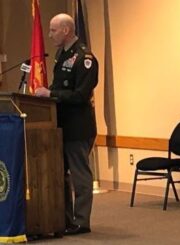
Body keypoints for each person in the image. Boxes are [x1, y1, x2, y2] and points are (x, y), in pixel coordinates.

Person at [35, 13, 98, 235]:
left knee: (80, 175)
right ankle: (64, 219)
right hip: (59, 125)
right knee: (58, 174)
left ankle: (82, 221)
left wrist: (51, 93)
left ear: (66, 30)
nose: (50, 34)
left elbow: (81, 95)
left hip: (78, 127)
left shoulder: (84, 58)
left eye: (53, 30)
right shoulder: (62, 54)